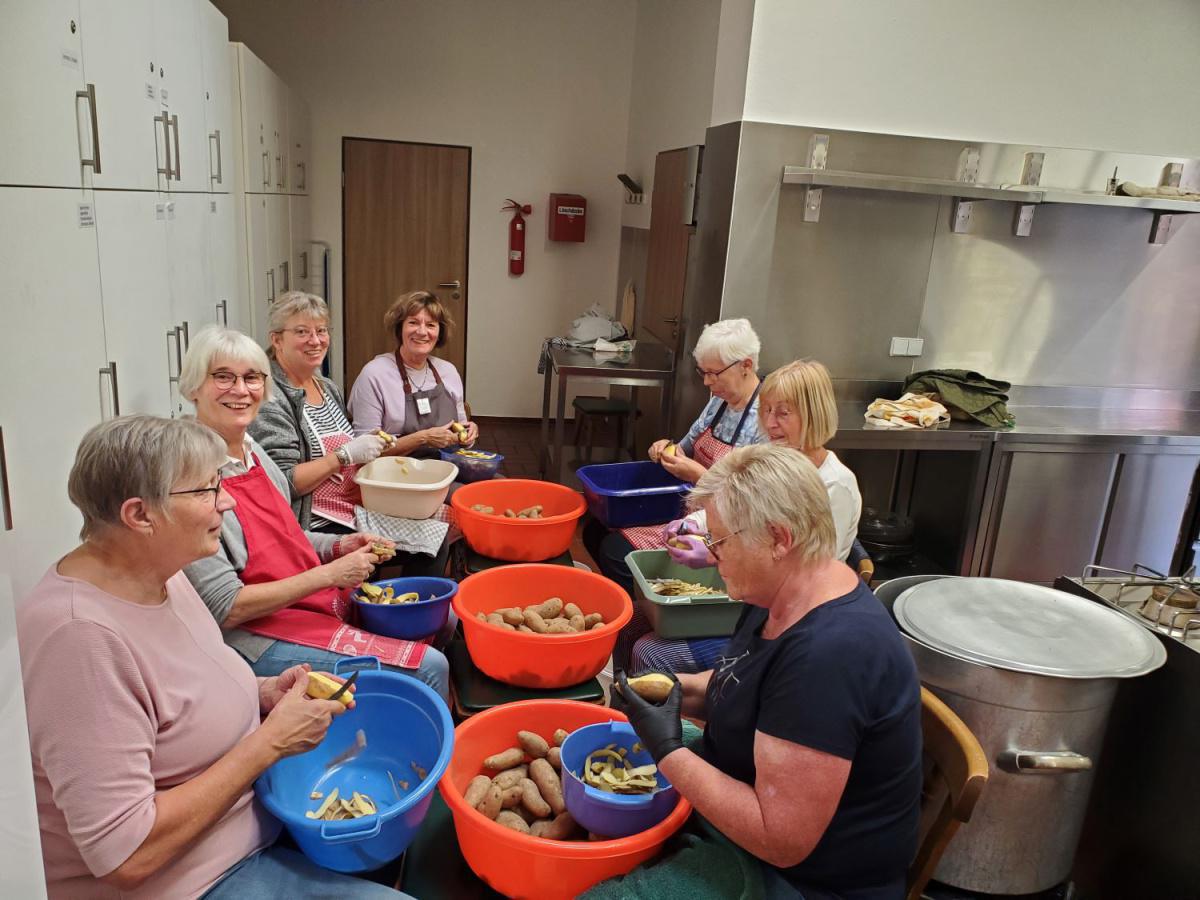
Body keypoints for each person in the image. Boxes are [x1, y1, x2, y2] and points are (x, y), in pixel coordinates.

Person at [17, 415, 412, 899]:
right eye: (206, 491)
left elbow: (181, 692)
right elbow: (126, 855)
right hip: (194, 879)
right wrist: (269, 743)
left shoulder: (162, 570)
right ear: (140, 515)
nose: (226, 500)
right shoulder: (78, 640)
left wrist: (261, 692)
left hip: (249, 823)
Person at [608, 444, 921, 900]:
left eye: (720, 540)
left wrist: (668, 751)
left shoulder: (831, 657)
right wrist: (674, 690)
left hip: (802, 879)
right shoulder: (779, 591)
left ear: (778, 538)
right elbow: (747, 682)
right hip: (744, 793)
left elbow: (780, 839)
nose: (712, 554)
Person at [179, 326, 450, 701]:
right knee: (430, 668)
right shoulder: (187, 476)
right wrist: (328, 574)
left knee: (444, 620)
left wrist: (343, 545)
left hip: (302, 602)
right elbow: (225, 608)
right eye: (223, 377)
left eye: (251, 378)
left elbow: (287, 539)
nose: (240, 390)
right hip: (253, 636)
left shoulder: (253, 453)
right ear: (194, 387)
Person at [629, 359, 864, 673]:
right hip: (743, 595)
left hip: (780, 622)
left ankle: (671, 717)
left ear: (814, 413)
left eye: (783, 412)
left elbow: (807, 574)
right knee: (629, 621)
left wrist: (713, 555)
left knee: (652, 653)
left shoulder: (835, 485)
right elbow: (730, 505)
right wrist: (692, 523)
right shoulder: (770, 461)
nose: (770, 423)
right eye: (766, 410)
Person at [584, 318, 767, 616]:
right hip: (687, 509)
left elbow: (751, 503)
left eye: (714, 373)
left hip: (723, 528)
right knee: (594, 529)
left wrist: (699, 475)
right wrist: (666, 450)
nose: (707, 382)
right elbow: (685, 447)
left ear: (745, 365)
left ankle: (644, 619)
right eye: (703, 372)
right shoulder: (718, 403)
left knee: (615, 551)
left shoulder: (765, 419)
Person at [249, 291, 390, 532]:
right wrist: (345, 455)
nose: (315, 341)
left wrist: (365, 445)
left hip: (350, 504)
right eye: (302, 332)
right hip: (314, 522)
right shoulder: (269, 398)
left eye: (321, 330)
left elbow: (340, 444)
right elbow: (283, 482)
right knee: (432, 539)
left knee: (443, 517)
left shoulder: (324, 385)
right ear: (277, 340)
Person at [348, 290, 478, 456]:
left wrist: (468, 434)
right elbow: (364, 450)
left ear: (439, 333)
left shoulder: (448, 371)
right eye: (413, 323)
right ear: (400, 328)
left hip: (447, 466)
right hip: (395, 472)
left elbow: (460, 428)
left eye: (431, 325)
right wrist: (422, 438)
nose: (422, 332)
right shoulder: (373, 375)